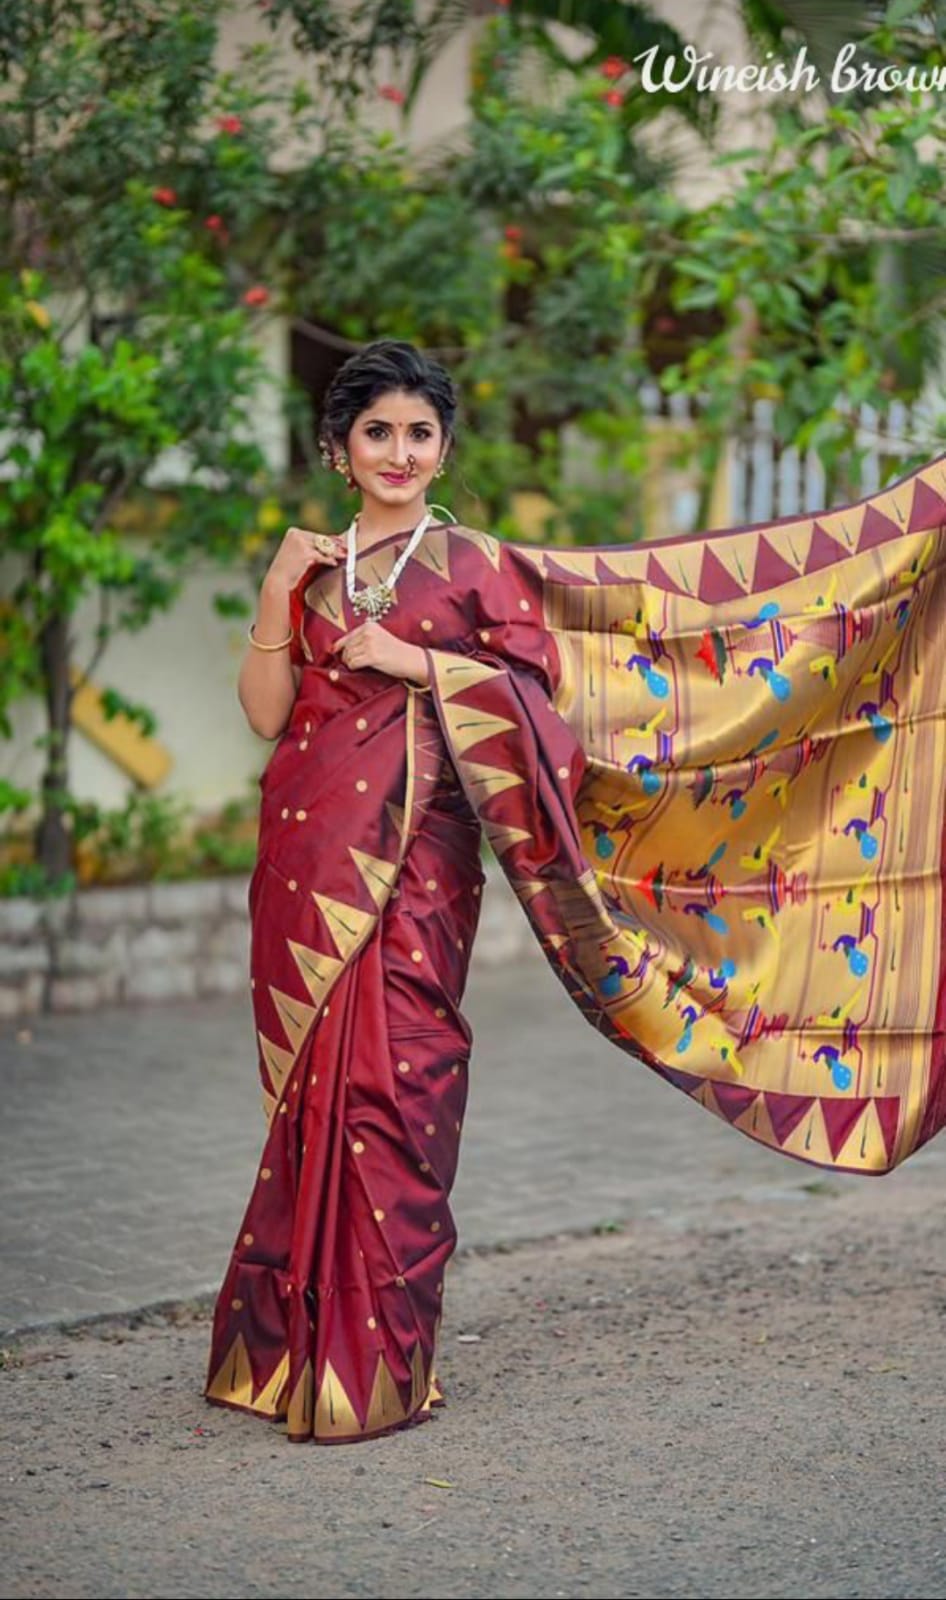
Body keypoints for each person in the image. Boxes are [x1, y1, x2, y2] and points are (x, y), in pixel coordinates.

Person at [205, 337, 946, 1444]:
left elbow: (549, 708)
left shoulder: (469, 566)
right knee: (314, 1103)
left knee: (396, 1091)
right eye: (378, 433)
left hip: (416, 865)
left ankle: (373, 1367)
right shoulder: (311, 567)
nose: (399, 452)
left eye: (419, 433)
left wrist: (426, 668)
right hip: (307, 860)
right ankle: (285, 1356)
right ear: (337, 448)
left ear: (443, 448)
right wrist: (276, 588)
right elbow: (269, 713)